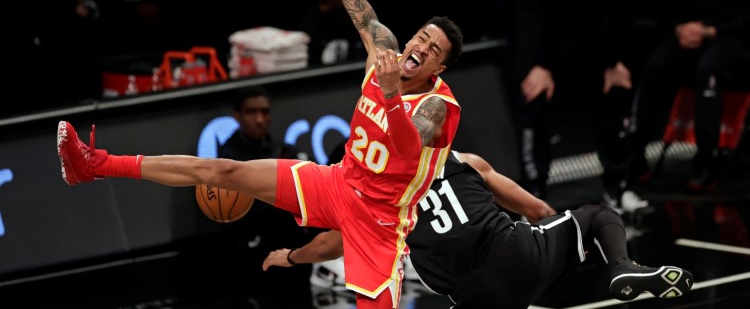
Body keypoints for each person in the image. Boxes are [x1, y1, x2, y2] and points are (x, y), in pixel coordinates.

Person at [56, 0, 464, 309]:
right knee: (223, 171)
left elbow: (407, 147)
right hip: (338, 182)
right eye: (422, 37)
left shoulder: (437, 106)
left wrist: (390, 95)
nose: (421, 47)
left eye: (433, 49)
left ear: (439, 67)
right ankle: (93, 164)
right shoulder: (383, 48)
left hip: (381, 221)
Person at [262, 150, 694, 308]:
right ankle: (621, 266)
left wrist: (291, 258)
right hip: (517, 253)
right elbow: (537, 209)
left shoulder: (373, 203)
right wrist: (558, 246)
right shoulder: (462, 160)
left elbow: (328, 245)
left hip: (473, 295)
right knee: (596, 215)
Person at [512, 0, 671, 208]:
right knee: (534, 95)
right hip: (543, 17)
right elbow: (557, 17)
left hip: (587, 28)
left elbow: (626, 19)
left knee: (615, 92)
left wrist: (615, 64)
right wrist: (542, 66)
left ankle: (617, 186)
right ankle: (533, 197)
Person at [624, 0, 750, 193]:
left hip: (730, 37)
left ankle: (706, 160)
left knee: (708, 69)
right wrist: (680, 27)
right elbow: (671, 1)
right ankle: (636, 153)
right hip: (689, 33)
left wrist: (712, 31)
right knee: (655, 66)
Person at [195, 85, 320, 308]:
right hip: (254, 260)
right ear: (237, 116)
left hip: (294, 255)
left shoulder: (286, 151)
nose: (259, 119)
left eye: (264, 111)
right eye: (251, 112)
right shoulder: (227, 163)